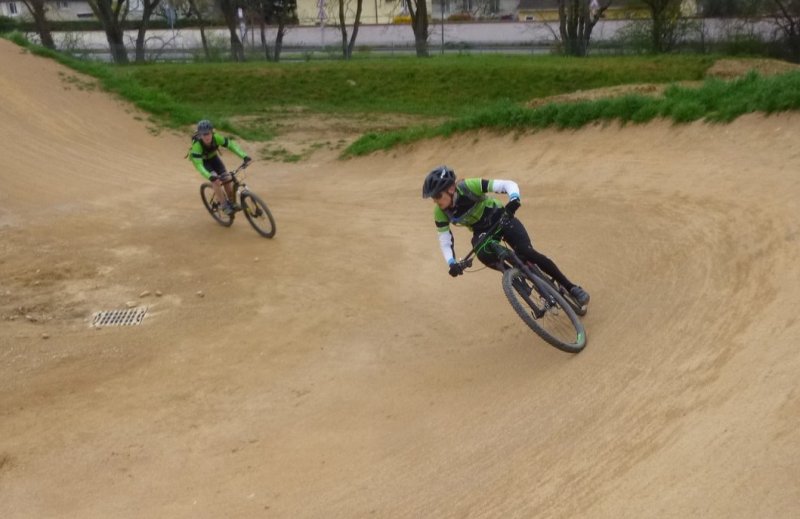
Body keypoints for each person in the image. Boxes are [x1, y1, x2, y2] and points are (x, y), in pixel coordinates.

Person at [422, 165, 590, 307]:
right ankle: (516, 275)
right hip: (482, 230)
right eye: (432, 198)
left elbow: (507, 184)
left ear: (451, 189)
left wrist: (514, 199)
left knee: (527, 251)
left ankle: (571, 288)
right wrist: (451, 262)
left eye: (437, 196)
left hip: (501, 217)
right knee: (480, 250)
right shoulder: (440, 212)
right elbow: (444, 240)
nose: (435, 201)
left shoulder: (468, 186)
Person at [188, 119, 252, 215]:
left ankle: (232, 202)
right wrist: (210, 176)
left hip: (213, 158)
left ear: (212, 132)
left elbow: (231, 145)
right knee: (216, 181)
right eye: (204, 134)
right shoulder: (197, 146)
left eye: (208, 133)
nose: (207, 137)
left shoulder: (216, 138)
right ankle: (224, 205)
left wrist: (244, 156)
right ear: (200, 135)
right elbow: (199, 165)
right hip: (203, 162)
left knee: (226, 177)